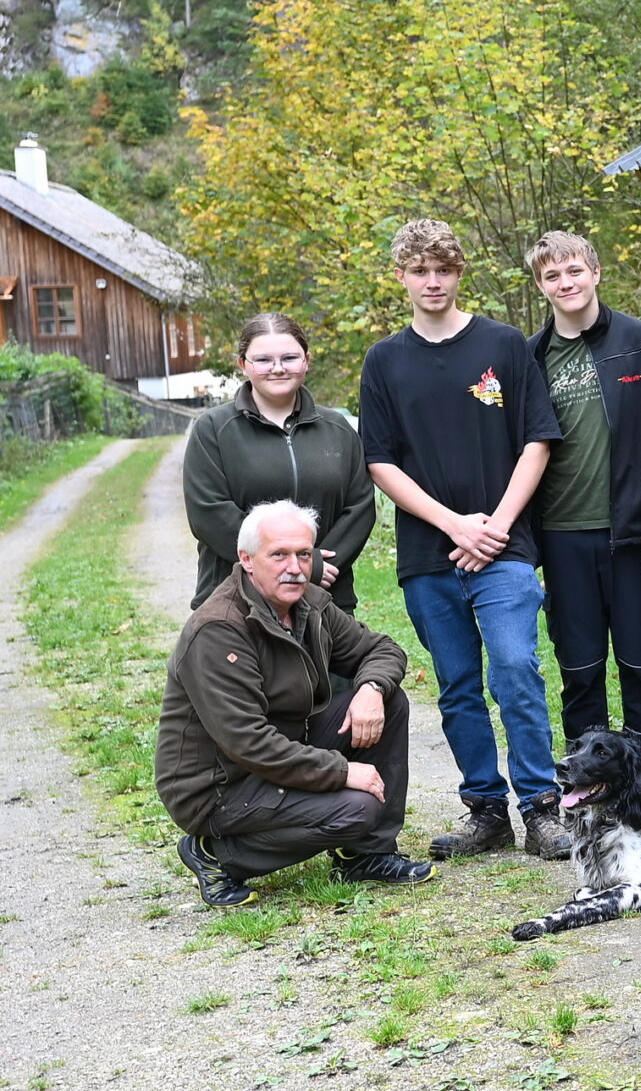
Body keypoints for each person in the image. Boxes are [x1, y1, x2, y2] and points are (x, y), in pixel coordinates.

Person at [361, 218, 565, 862]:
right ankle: (485, 809)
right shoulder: (385, 361)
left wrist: (495, 526)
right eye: (419, 271)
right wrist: (454, 525)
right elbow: (380, 461)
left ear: (458, 274)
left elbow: (537, 441)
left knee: (516, 669)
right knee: (456, 684)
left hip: (506, 549)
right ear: (401, 277)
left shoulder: (504, 346)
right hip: (429, 555)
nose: (432, 282)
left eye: (442, 270)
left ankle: (540, 807)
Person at [157, 501, 430, 908]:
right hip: (220, 785)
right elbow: (248, 743)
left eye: (304, 554)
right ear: (247, 560)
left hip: (284, 749)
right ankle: (215, 853)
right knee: (355, 808)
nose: (295, 567)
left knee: (389, 701)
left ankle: (366, 855)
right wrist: (340, 772)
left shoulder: (310, 605)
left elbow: (381, 649)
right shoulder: (219, 629)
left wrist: (372, 688)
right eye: (279, 555)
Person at [526, 231, 641, 780]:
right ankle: (585, 787)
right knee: (580, 670)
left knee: (640, 666)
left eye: (574, 271)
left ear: (595, 272)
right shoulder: (530, 356)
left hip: (631, 534)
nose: (565, 283)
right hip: (562, 535)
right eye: (552, 276)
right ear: (542, 286)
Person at [183, 314, 372, 613]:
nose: (278, 368)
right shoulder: (213, 430)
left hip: (326, 600)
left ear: (306, 361)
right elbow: (209, 513)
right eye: (263, 360)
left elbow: (359, 506)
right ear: (243, 365)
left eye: (289, 357)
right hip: (237, 601)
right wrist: (285, 566)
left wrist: (315, 565)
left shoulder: (337, 430)